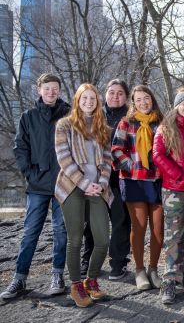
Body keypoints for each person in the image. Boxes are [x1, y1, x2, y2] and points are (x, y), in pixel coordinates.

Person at [1, 73, 70, 300]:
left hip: (63, 184)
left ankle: (57, 276)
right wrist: (30, 173)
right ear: (39, 89)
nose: (51, 92)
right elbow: (20, 148)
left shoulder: (69, 115)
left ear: (59, 91)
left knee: (61, 232)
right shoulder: (28, 117)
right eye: (47, 88)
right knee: (30, 232)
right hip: (38, 185)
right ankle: (19, 279)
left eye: (55, 88)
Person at [54, 83, 113, 307]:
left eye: (92, 99)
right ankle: (76, 285)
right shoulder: (65, 125)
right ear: (77, 100)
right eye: (84, 98)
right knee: (76, 238)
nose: (88, 102)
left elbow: (107, 159)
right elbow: (64, 159)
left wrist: (102, 182)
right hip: (72, 187)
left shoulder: (102, 128)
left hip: (97, 188)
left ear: (97, 102)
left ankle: (91, 280)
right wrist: (84, 183)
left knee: (102, 239)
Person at [153, 90, 184, 304]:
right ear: (176, 106)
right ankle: (169, 282)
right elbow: (157, 154)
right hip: (174, 190)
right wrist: (177, 173)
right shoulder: (166, 128)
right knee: (175, 236)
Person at [111, 85, 164, 291]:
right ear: (133, 102)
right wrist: (133, 167)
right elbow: (116, 150)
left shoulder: (161, 122)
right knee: (139, 226)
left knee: (158, 229)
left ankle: (153, 269)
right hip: (134, 180)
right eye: (139, 99)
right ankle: (140, 270)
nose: (143, 102)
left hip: (157, 180)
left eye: (147, 98)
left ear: (152, 99)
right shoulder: (126, 122)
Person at [81, 79, 131, 280]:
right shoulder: (95, 116)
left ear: (126, 97)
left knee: (120, 220)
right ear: (105, 95)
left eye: (120, 93)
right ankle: (89, 259)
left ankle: (118, 263)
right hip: (95, 177)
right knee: (91, 221)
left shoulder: (130, 117)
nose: (115, 96)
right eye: (111, 92)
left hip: (120, 178)